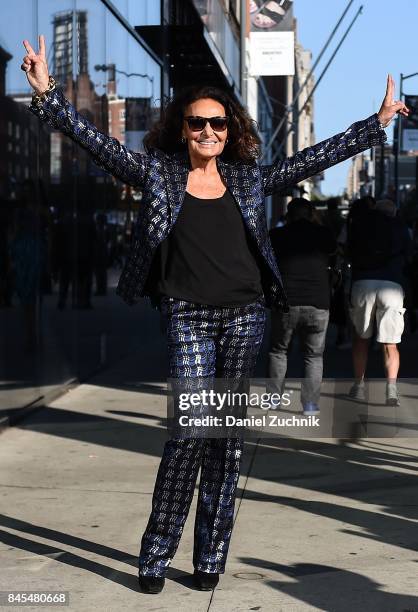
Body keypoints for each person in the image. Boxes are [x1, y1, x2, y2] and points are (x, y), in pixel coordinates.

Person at [21, 34, 408, 594]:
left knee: (225, 440)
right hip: (187, 316)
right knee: (188, 432)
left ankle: (210, 557)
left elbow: (311, 157)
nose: (208, 132)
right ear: (184, 128)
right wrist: (49, 95)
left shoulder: (248, 180)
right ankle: (155, 555)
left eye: (218, 124)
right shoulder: (160, 175)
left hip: (245, 317)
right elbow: (99, 146)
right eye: (198, 123)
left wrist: (374, 126)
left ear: (231, 131)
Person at [268, 198, 337, 415]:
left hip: (286, 301)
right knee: (313, 356)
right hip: (318, 301)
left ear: (288, 214)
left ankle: (274, 400)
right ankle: (309, 405)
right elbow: (334, 255)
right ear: (310, 213)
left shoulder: (277, 235)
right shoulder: (323, 234)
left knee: (279, 351)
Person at [347, 198, 413, 405]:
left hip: (363, 282)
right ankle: (391, 390)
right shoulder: (401, 228)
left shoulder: (360, 224)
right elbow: (410, 258)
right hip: (392, 285)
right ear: (394, 213)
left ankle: (359, 386)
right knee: (390, 343)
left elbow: (348, 251)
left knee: (361, 339)